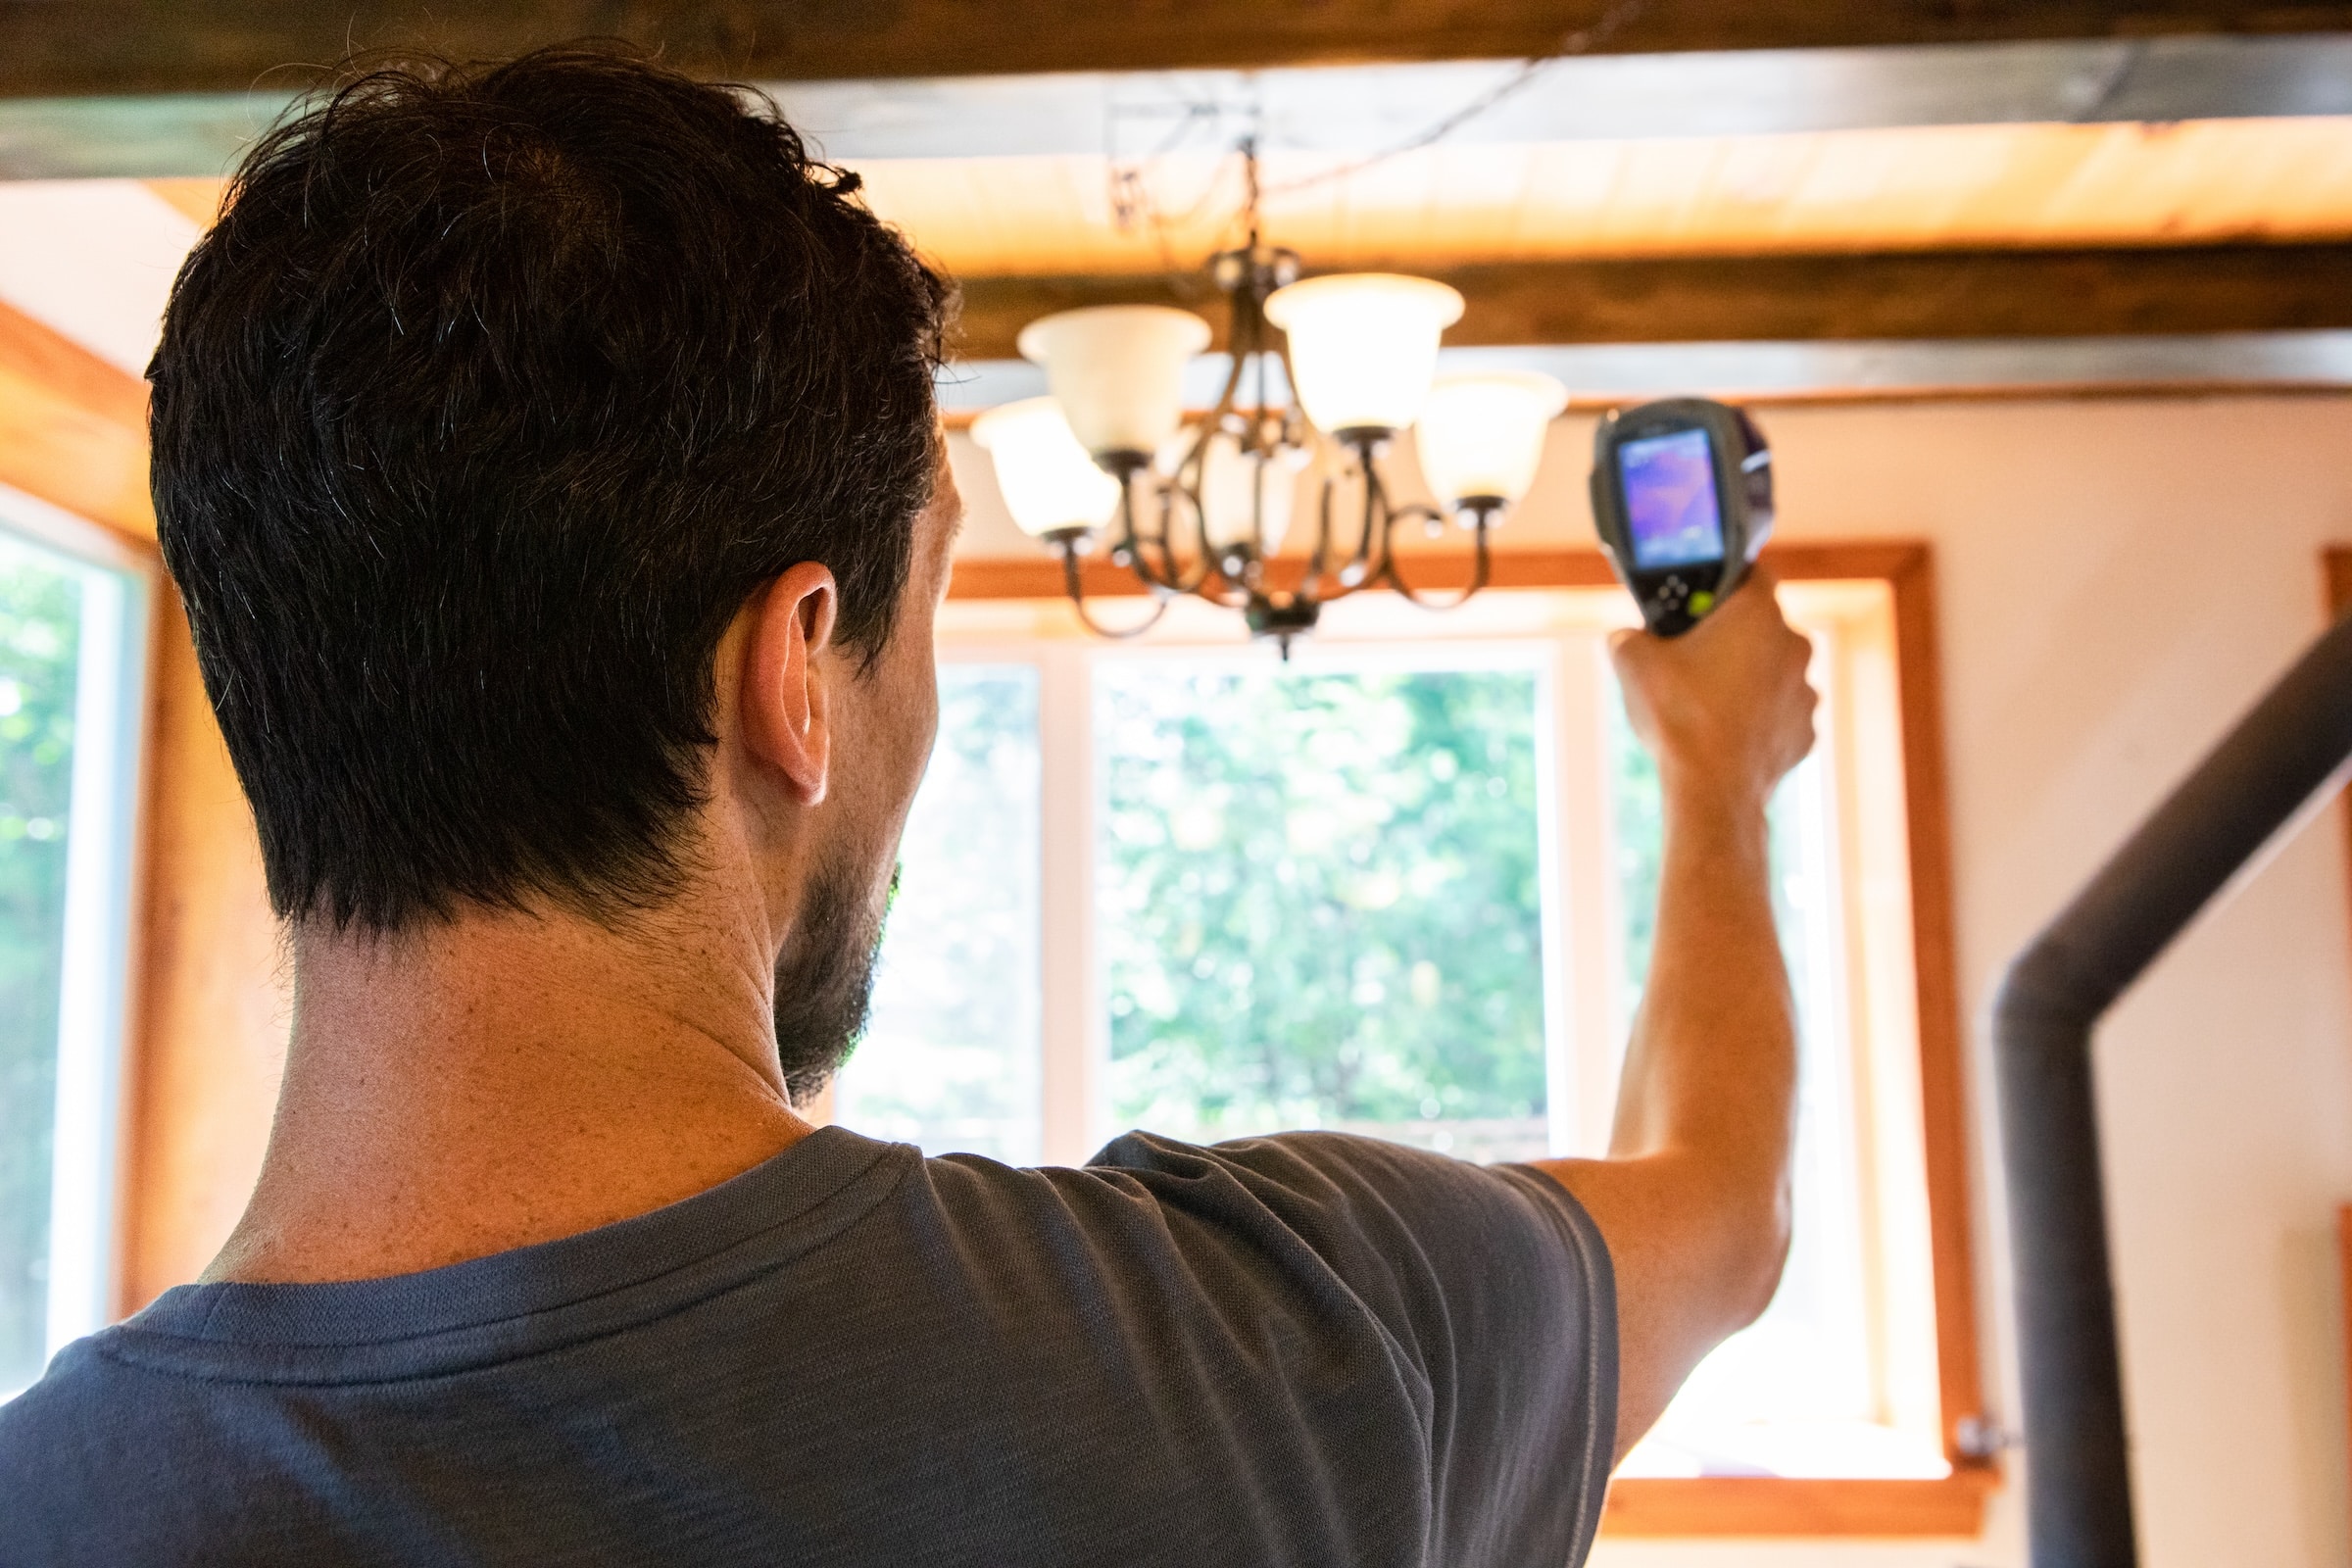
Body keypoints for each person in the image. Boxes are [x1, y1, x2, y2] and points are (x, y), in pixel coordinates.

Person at [0, 47, 1816, 1567]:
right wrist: (1713, 774)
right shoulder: (1295, 1346)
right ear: (795, 667)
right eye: (926, 614)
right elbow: (1719, 1218)